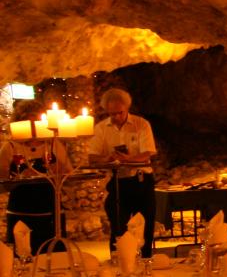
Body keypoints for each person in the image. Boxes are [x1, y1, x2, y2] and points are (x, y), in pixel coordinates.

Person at [88, 88, 157, 257]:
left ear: (127, 108)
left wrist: (127, 159)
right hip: (119, 182)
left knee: (145, 225)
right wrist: (108, 159)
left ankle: (145, 260)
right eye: (112, 114)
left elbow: (147, 154)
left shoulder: (141, 124)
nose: (117, 117)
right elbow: (93, 157)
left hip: (141, 181)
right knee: (118, 225)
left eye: (120, 112)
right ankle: (118, 262)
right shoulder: (101, 128)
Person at [1, 103, 73, 254]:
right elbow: (2, 183)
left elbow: (69, 176)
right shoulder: (11, 148)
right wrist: (19, 178)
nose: (33, 128)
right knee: (22, 256)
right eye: (29, 123)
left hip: (51, 213)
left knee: (53, 256)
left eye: (37, 123)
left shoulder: (53, 145)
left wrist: (56, 169)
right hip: (21, 213)